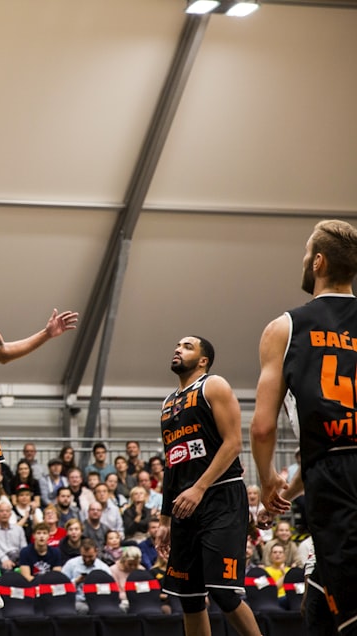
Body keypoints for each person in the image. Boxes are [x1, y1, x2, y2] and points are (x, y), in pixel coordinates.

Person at [250, 220, 357, 636]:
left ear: (318, 261)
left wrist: (267, 481)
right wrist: (287, 491)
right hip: (324, 468)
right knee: (321, 599)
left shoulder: (286, 327)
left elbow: (262, 429)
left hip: (334, 475)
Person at [156, 336, 262, 636]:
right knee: (189, 600)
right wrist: (164, 520)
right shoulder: (167, 403)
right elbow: (171, 464)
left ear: (203, 360)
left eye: (187, 346)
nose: (177, 348)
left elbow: (233, 443)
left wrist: (199, 487)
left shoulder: (213, 385)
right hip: (184, 504)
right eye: (176, 344)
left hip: (220, 497)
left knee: (223, 593)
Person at [61, 538, 112, 614]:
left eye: (90, 557)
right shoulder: (71, 564)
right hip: (77, 600)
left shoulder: (103, 568)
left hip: (98, 600)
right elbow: (62, 587)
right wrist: (76, 581)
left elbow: (110, 588)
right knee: (83, 609)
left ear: (96, 552)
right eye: (84, 557)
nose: (87, 559)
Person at [0, 501, 27, 571]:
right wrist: (4, 559)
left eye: (7, 511)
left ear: (10, 514)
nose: (4, 513)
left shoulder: (18, 529)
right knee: (6, 569)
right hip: (0, 558)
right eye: (1, 511)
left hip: (18, 556)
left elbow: (24, 547)